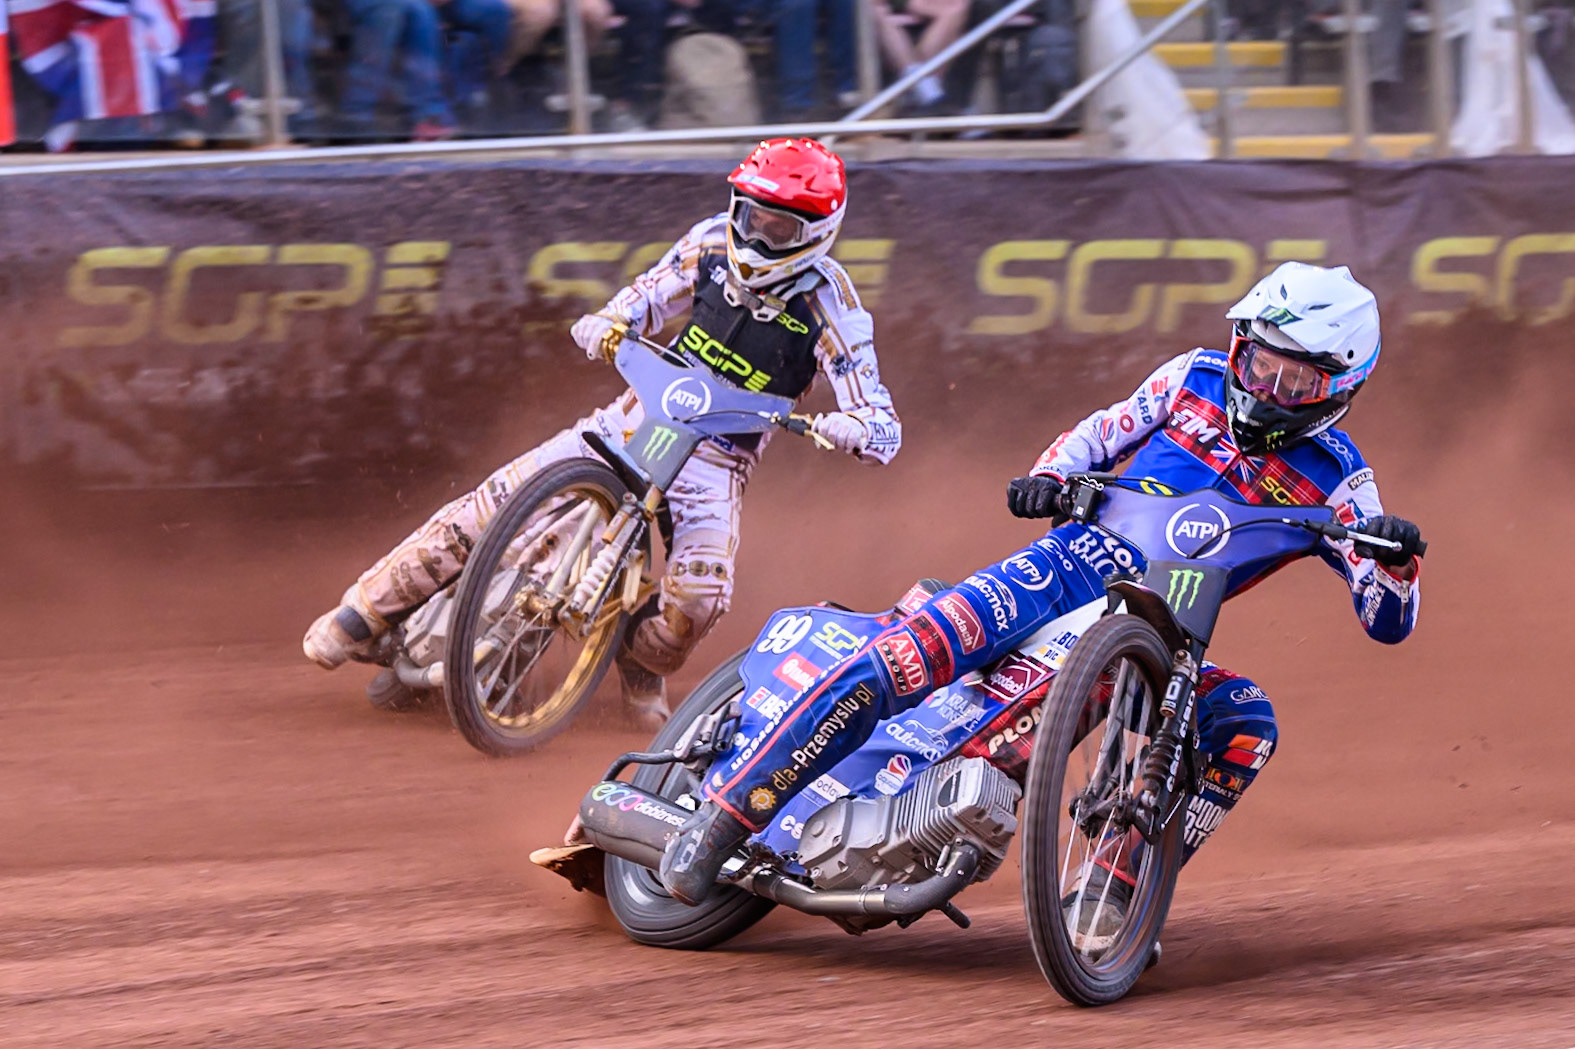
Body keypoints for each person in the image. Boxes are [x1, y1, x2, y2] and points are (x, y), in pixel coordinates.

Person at [659, 262, 1425, 926]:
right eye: (1258, 362)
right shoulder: (1189, 375)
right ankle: (726, 817)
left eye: (1294, 379)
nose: (1266, 385)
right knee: (909, 654)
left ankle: (1116, 890)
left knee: (1246, 721)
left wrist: (1394, 565)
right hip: (1067, 562)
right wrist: (1052, 475)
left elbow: (1385, 620)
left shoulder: (1341, 478)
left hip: (1164, 632)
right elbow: (1099, 431)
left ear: (1339, 386)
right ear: (1238, 344)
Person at [303, 137, 902, 728]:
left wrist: (851, 429)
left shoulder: (834, 308)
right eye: (751, 215)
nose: (757, 236)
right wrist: (611, 322)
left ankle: (639, 660)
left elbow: (882, 422)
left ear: (818, 232)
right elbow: (645, 298)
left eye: (778, 229)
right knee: (493, 503)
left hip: (717, 460)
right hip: (635, 417)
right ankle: (363, 613)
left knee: (700, 596)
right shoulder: (710, 242)